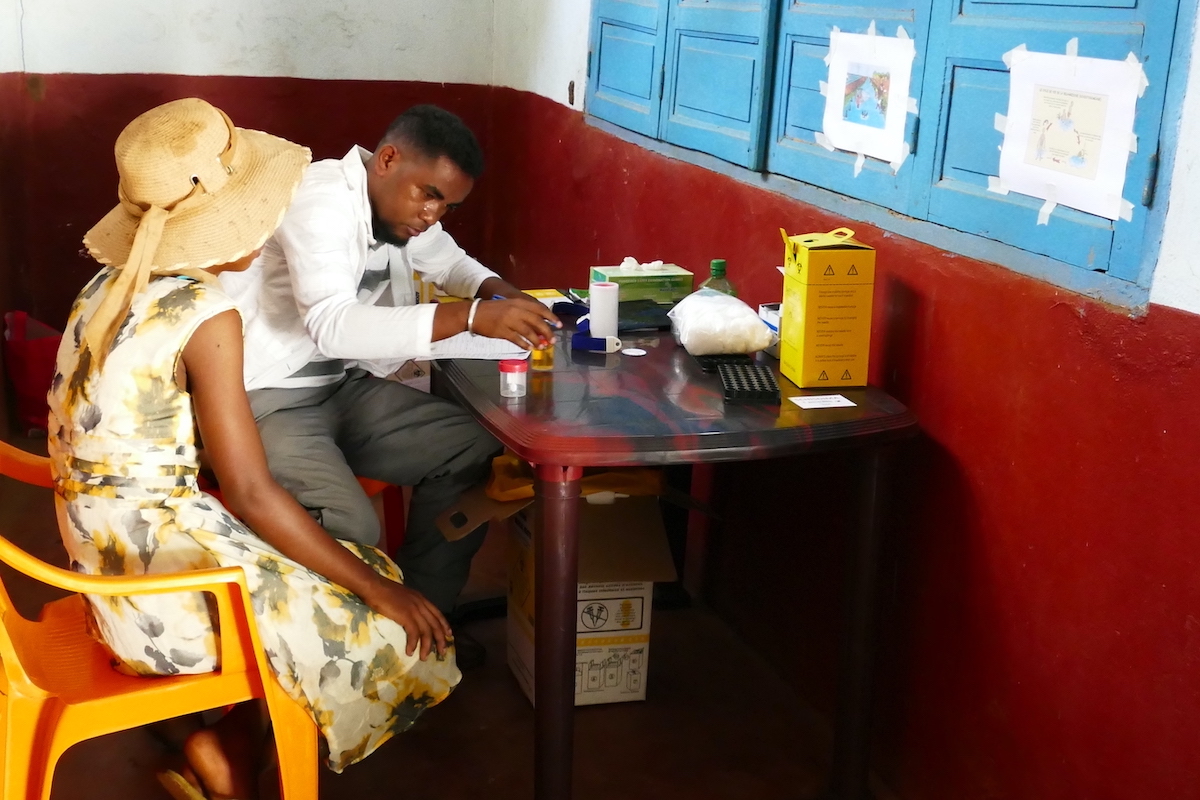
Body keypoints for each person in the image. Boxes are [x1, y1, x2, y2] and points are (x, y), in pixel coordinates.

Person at [48, 98, 459, 800]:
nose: (270, 224)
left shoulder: (104, 284)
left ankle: (206, 736)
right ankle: (239, 746)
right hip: (168, 593)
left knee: (345, 567)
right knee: (386, 625)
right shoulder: (210, 315)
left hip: (96, 566)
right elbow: (248, 491)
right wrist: (383, 590)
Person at [218, 105, 560, 626]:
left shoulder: (401, 210)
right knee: (351, 523)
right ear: (388, 160)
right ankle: (333, 656)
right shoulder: (322, 199)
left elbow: (452, 264)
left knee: (472, 445)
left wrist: (511, 302)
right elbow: (331, 325)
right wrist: (471, 317)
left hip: (338, 386)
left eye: (447, 205)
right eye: (429, 195)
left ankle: (422, 626)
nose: (432, 215)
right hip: (268, 399)